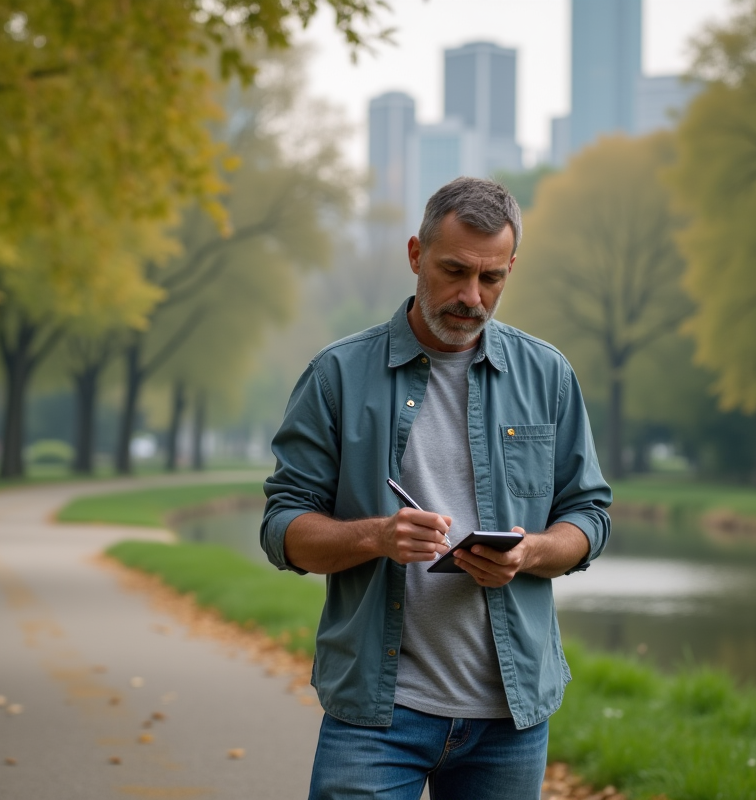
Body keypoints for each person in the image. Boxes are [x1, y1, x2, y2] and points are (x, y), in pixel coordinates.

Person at [260, 177, 611, 800]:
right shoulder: (337, 374)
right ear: (416, 255)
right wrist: (376, 536)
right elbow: (283, 529)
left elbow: (588, 517)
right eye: (453, 271)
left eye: (491, 278)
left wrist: (530, 553)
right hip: (375, 713)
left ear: (509, 270)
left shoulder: (548, 374)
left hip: (510, 718)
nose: (470, 296)